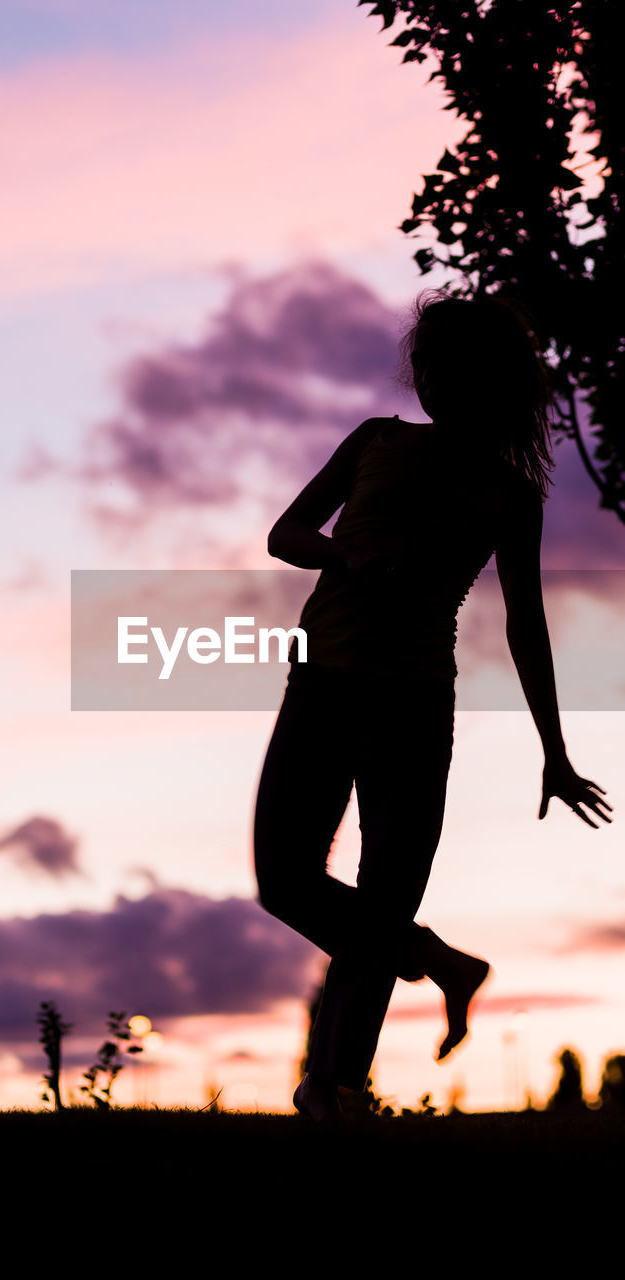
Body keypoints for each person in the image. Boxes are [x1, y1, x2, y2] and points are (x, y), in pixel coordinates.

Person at [252, 291, 614, 1124]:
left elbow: (525, 620)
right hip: (321, 682)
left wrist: (553, 752)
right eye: (422, 363)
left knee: (381, 901)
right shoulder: (375, 441)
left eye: (446, 366)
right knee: (285, 883)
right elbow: (286, 533)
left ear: (485, 379)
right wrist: (349, 557)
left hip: (414, 703)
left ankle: (336, 1090)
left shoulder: (507, 493)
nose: (426, 378)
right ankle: (439, 964)